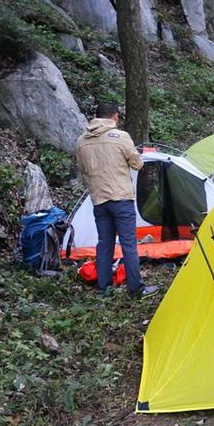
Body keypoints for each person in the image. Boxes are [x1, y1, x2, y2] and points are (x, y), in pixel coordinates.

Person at [76, 103, 158, 300]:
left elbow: (82, 171)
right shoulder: (120, 137)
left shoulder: (81, 141)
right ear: (114, 117)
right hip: (121, 199)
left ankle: (104, 289)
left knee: (104, 244)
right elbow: (137, 164)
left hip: (99, 200)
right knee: (129, 245)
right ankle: (136, 289)